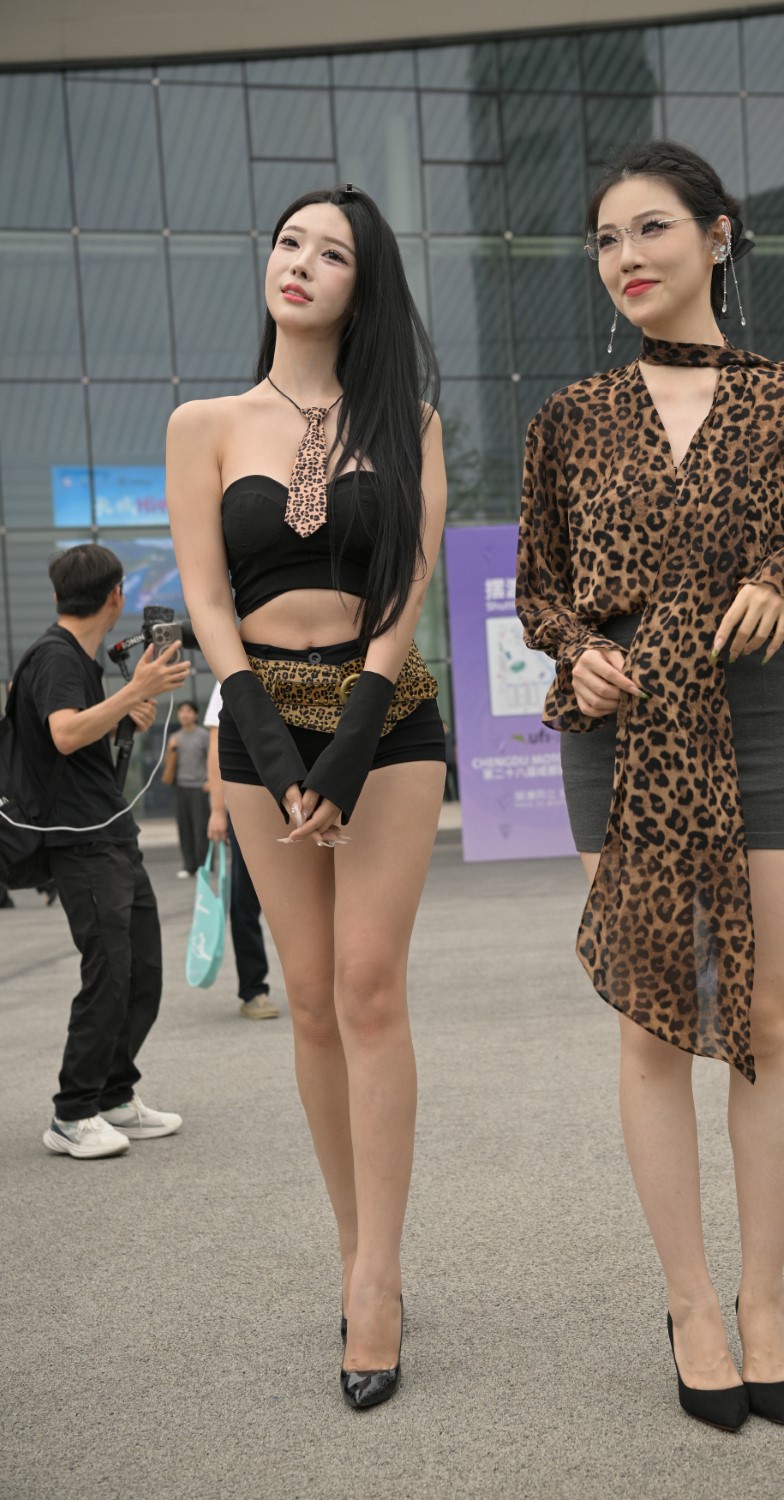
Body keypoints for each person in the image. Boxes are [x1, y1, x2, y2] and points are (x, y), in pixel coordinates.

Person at [517, 142, 784, 1432]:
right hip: (621, 728)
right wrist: (576, 648)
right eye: (606, 238)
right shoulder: (569, 419)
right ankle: (689, 1305)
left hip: (768, 716)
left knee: (767, 1016)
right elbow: (538, 587)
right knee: (651, 1024)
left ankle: (764, 1297)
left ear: (717, 236)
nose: (625, 256)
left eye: (651, 229)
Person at [165, 186, 447, 1410]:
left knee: (370, 988)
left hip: (388, 720)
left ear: (360, 286)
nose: (301, 263)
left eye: (332, 253)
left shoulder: (409, 421)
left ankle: (378, 1283)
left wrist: (351, 739)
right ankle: (351, 1244)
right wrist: (273, 749)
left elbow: (407, 588)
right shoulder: (205, 423)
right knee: (315, 1003)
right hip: (258, 717)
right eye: (290, 243)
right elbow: (205, 595)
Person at [13, 544, 190, 1159]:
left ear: (59, 593)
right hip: (80, 841)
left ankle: (114, 1095)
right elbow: (63, 733)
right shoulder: (57, 656)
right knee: (110, 973)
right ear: (116, 597)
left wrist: (122, 716)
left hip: (110, 831)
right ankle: (72, 1112)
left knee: (142, 972)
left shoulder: (78, 659)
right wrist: (133, 690)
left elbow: (72, 734)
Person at [203, 680, 280, 1018]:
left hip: (307, 797)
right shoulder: (230, 671)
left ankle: (330, 987)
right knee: (245, 900)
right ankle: (254, 989)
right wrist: (218, 810)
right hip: (249, 804)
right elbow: (217, 745)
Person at [162, 699, 210, 877]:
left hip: (199, 787)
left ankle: (203, 866)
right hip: (180, 787)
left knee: (201, 828)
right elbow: (168, 765)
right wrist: (171, 749)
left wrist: (210, 781)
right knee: (184, 828)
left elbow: (212, 759)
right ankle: (188, 866)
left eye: (189, 711)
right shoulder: (175, 737)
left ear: (195, 715)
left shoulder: (203, 735)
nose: (185, 714)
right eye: (182, 711)